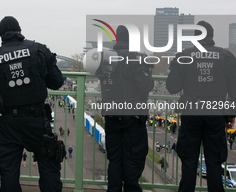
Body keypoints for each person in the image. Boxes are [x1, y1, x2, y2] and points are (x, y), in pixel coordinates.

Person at [0, 16, 64, 192]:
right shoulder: (38, 50)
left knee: (8, 172)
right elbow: (57, 82)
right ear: (19, 32)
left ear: (1, 35)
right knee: (48, 165)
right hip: (36, 119)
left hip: (6, 123)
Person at [166, 21, 236, 192]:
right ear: (211, 36)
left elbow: (172, 87)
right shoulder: (225, 56)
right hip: (216, 113)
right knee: (214, 161)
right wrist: (231, 114)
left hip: (191, 112)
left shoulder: (185, 56)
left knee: (189, 160)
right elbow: (233, 89)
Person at [95, 25, 154, 192]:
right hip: (132, 118)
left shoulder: (105, 58)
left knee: (115, 160)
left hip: (112, 116)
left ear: (116, 40)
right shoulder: (136, 58)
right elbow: (146, 86)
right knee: (133, 160)